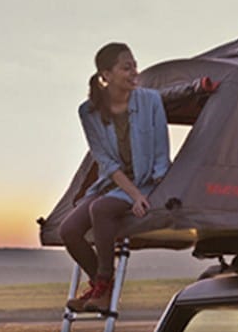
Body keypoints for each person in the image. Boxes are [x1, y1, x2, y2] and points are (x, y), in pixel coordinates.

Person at [58, 42, 169, 312]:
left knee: (102, 209)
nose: (134, 72)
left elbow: (161, 151)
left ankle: (103, 286)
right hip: (114, 181)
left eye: (135, 66)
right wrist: (132, 194)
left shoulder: (150, 100)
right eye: (126, 67)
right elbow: (104, 161)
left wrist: (151, 191)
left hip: (147, 180)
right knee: (68, 231)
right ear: (105, 75)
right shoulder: (89, 112)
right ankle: (101, 285)